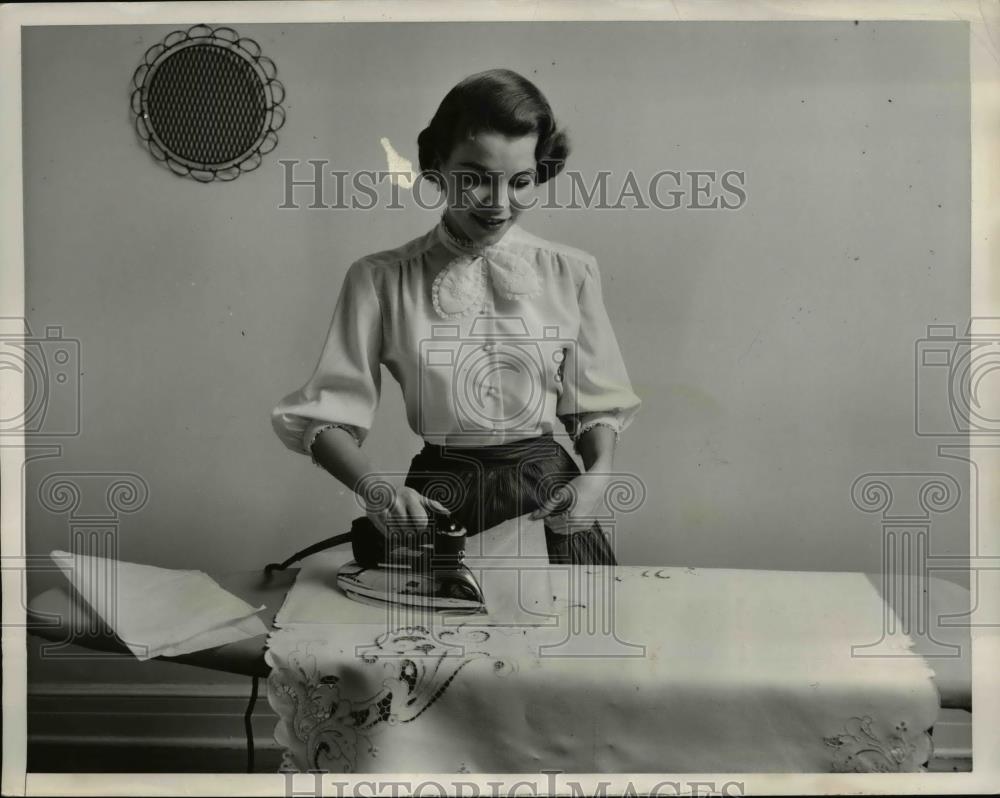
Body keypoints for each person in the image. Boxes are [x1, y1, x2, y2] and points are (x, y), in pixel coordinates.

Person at [271, 68, 641, 564]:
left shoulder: (571, 272)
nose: (499, 203)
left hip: (551, 500)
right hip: (439, 501)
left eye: (521, 181)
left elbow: (594, 404)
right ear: (435, 165)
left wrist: (598, 477)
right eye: (474, 180)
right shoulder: (378, 279)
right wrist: (376, 490)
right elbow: (326, 418)